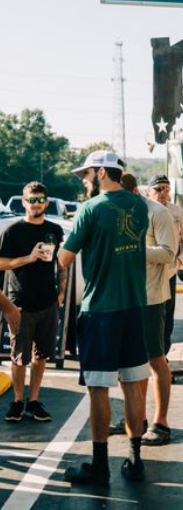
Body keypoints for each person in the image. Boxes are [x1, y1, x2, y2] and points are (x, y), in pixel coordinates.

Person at [58, 151, 151, 485]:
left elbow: (65, 258)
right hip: (135, 307)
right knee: (133, 386)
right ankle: (135, 459)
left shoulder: (90, 209)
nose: (84, 180)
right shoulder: (139, 205)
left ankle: (99, 466)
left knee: (98, 388)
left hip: (100, 311)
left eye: (86, 174)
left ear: (101, 173)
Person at [118, 174, 178, 447]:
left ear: (134, 191)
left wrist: (134, 250)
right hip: (125, 298)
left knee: (156, 360)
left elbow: (168, 253)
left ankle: (161, 422)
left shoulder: (159, 213)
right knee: (131, 362)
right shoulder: (119, 213)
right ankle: (135, 418)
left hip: (152, 298)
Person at [0, 182, 66, 424]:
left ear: (47, 202)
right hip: (21, 303)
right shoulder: (13, 231)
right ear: (23, 202)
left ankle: (34, 401)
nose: (36, 204)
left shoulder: (55, 230)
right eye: (31, 199)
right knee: (19, 357)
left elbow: (61, 263)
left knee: (41, 356)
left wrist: (61, 292)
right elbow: (1, 263)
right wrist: (27, 258)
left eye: (40, 199)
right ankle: (17, 401)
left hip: (48, 302)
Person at [147, 176, 183, 359]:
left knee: (166, 319)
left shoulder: (176, 212)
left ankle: (162, 358)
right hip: (147, 274)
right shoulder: (142, 210)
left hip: (168, 273)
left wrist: (179, 262)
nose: (163, 193)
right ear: (148, 191)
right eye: (158, 189)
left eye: (167, 189)